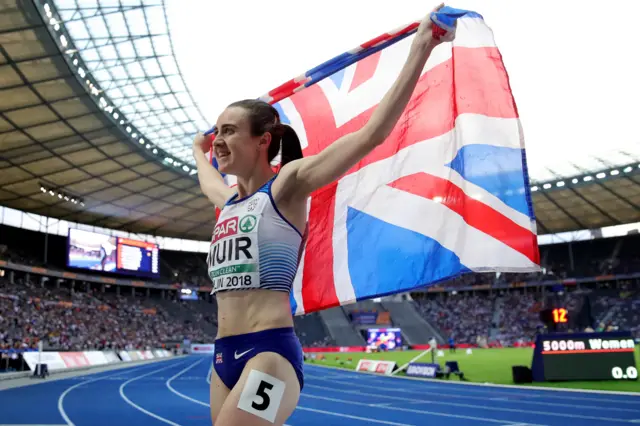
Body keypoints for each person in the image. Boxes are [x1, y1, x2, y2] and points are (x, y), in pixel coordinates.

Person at [193, 4, 452, 425]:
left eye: (229, 131)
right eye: (216, 131)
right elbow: (207, 179)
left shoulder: (287, 184)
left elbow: (373, 133)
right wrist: (196, 149)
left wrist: (422, 44)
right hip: (224, 355)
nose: (218, 140)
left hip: (269, 353)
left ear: (262, 141)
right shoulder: (228, 203)